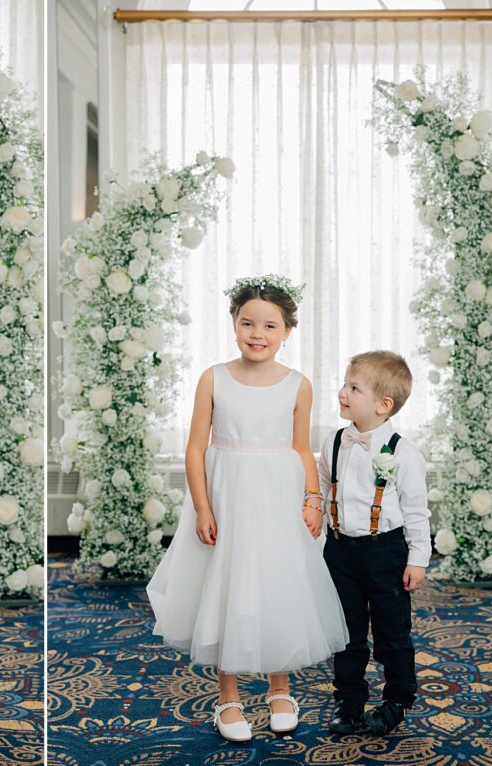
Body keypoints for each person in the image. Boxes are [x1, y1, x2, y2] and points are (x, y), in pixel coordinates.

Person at [147, 275, 348, 743]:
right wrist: (202, 507)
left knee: (275, 584)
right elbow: (196, 447)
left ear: (287, 332)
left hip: (277, 494)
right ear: (234, 325)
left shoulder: (298, 385)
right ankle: (229, 695)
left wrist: (313, 499)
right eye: (247, 323)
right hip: (227, 492)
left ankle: (280, 688)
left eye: (269, 326)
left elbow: (301, 449)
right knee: (227, 586)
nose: (257, 333)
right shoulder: (213, 378)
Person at [319, 350, 430, 736]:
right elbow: (322, 488)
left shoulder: (402, 451)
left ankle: (397, 700)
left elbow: (417, 511)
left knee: (391, 632)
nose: (342, 393)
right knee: (345, 631)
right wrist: (315, 522)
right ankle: (348, 701)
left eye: (354, 387)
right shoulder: (334, 442)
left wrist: (418, 559)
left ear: (383, 405)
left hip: (385, 552)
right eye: (345, 384)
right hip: (339, 550)